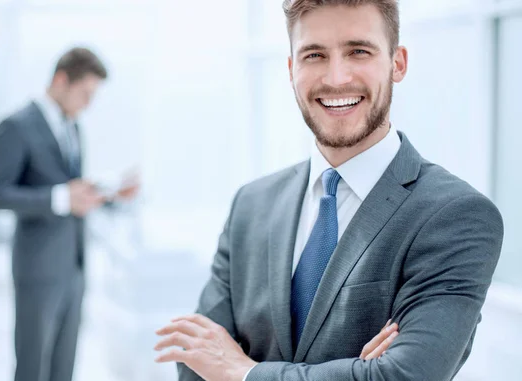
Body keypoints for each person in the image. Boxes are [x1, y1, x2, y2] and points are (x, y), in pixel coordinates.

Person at [153, 1, 504, 380]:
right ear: (291, 69)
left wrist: (244, 372)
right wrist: (357, 372)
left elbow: (404, 376)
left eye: (358, 51)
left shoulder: (456, 216)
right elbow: (196, 364)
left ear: (397, 63)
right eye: (314, 55)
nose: (336, 78)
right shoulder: (251, 206)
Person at [0, 47, 138, 381]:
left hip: (74, 267)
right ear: (61, 80)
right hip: (38, 269)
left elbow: (71, 191)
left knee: (64, 368)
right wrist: (59, 199)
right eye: (85, 93)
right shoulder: (16, 125)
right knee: (32, 366)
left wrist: (110, 195)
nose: (88, 103)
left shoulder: (73, 127)